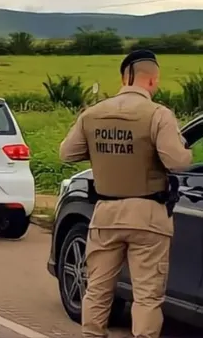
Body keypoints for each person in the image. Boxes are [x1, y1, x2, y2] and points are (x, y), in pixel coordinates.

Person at [59, 49, 192, 338]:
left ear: (123, 78)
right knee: (146, 295)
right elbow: (177, 162)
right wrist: (184, 148)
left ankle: (92, 334)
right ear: (153, 81)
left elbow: (67, 153)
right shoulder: (158, 114)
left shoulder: (93, 114)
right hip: (148, 215)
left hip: (106, 213)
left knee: (97, 288)